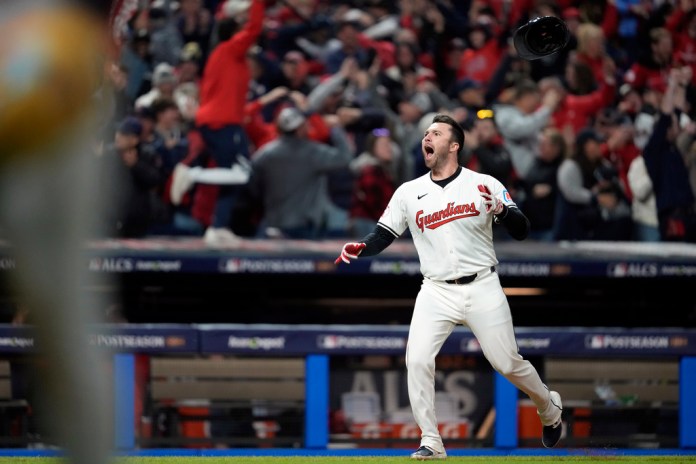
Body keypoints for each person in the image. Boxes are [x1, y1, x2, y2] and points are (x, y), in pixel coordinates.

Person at [334, 113, 563, 459]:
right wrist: (362, 248)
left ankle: (549, 408)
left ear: (454, 145)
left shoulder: (484, 183)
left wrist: (502, 211)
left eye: (436, 133)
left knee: (507, 363)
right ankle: (431, 441)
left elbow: (522, 229)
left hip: (482, 284)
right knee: (417, 360)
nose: (427, 137)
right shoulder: (409, 192)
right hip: (436, 290)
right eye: (425, 132)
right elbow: (383, 234)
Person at [246, 106, 353, 239]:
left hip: (272, 223)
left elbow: (252, 184)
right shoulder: (312, 152)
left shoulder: (265, 154)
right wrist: (336, 129)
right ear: (300, 128)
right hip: (304, 226)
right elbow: (345, 158)